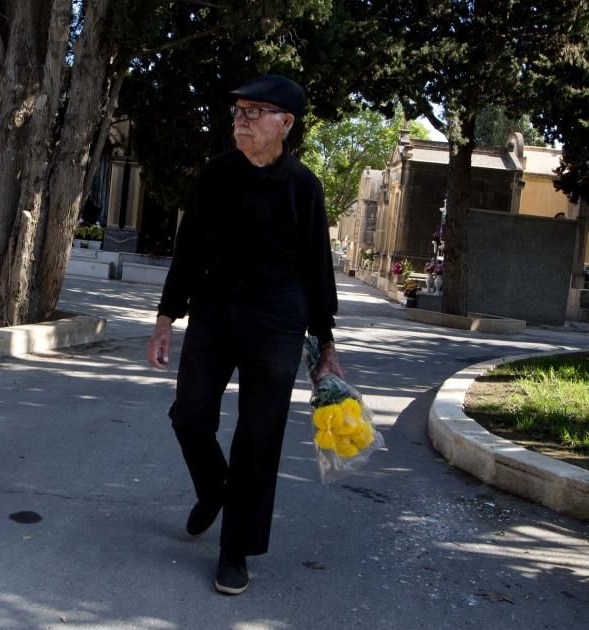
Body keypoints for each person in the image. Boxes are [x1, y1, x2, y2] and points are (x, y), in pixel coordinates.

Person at [146, 75, 343, 596]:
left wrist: (325, 341)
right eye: (238, 109)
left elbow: (318, 268)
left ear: (285, 123)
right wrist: (167, 317)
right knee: (188, 415)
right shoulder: (215, 175)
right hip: (213, 314)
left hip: (277, 322)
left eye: (255, 111)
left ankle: (234, 551)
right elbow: (187, 250)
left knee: (258, 438)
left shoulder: (304, 186)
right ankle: (214, 490)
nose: (241, 119)